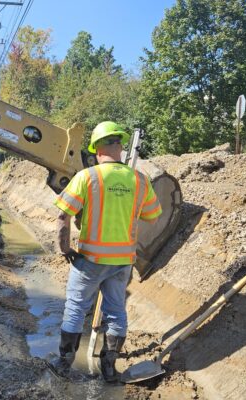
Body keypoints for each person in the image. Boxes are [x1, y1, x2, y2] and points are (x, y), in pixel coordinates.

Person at [47, 121, 162, 382]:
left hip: (89, 259)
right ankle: (109, 369)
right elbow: (153, 217)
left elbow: (63, 216)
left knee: (76, 308)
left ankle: (64, 364)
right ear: (119, 146)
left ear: (96, 150)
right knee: (116, 310)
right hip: (122, 261)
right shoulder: (139, 179)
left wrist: (65, 248)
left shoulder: (87, 177)